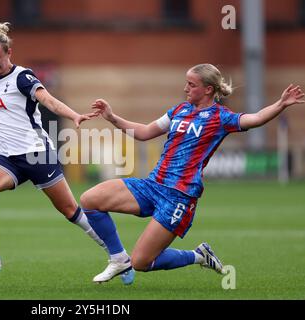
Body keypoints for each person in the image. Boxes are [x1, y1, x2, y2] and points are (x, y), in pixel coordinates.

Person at [80, 63, 304, 283]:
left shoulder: (220, 117)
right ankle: (119, 258)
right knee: (90, 199)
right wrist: (112, 118)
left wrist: (281, 104)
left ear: (208, 89)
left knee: (142, 262)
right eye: (186, 83)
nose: (185, 88)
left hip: (179, 196)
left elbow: (254, 119)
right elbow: (146, 131)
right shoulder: (179, 110)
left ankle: (199, 256)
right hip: (152, 185)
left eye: (191, 84)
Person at [0, 22, 124, 280]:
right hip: (5, 157)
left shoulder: (23, 78)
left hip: (36, 154)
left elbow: (47, 100)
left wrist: (74, 115)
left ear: (9, 53)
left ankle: (118, 256)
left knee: (71, 210)